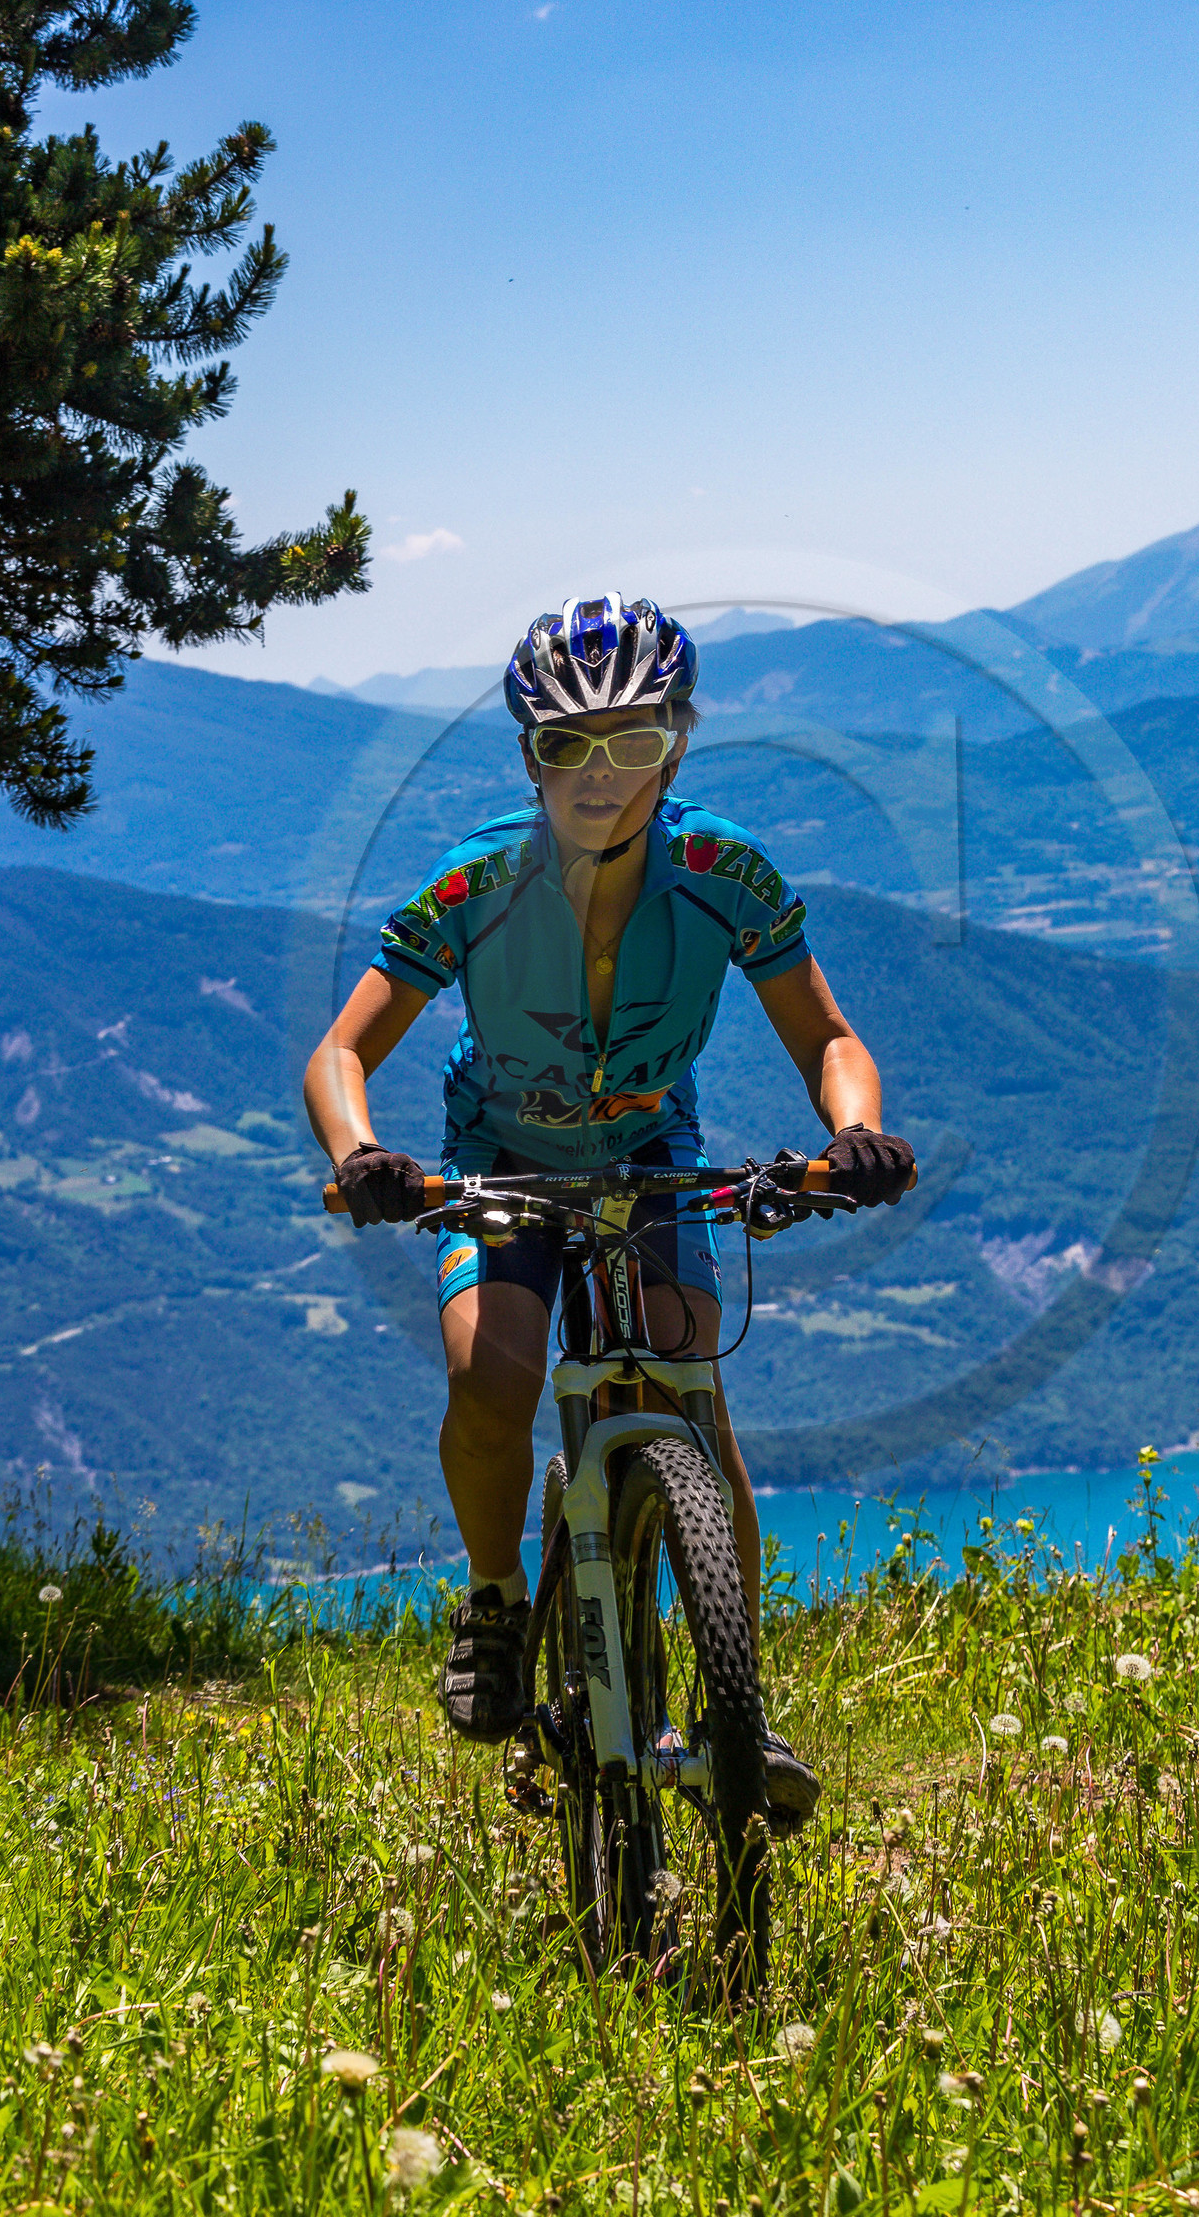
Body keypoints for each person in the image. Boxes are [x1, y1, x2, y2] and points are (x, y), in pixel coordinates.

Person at [303, 593, 915, 1829]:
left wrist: (854, 1132)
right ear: (528, 756)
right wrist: (361, 1153)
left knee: (690, 1399)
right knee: (492, 1381)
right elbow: (341, 1053)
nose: (599, 772)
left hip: (648, 1151)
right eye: (565, 744)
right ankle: (494, 1601)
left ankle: (738, 1703)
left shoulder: (726, 873)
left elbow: (827, 1036)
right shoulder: (475, 880)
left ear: (675, 746)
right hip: (497, 1160)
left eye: (631, 740)